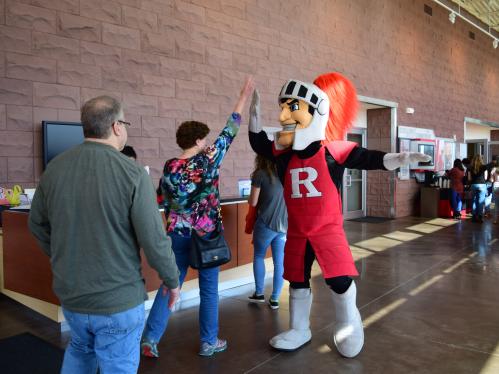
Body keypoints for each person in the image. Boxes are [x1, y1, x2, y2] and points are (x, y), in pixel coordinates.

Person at [248, 72, 429, 358]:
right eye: (282, 107)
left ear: (317, 109)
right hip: (296, 230)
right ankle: (299, 328)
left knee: (339, 279)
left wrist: (400, 158)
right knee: (296, 278)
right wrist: (253, 117)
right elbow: (259, 144)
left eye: (292, 107)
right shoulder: (283, 153)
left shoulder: (333, 150)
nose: (283, 115)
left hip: (326, 229)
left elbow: (370, 158)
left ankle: (348, 321)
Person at [28, 96, 180, 374]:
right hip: (118, 299)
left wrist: (64, 256)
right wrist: (172, 280)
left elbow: (36, 224)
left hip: (72, 296)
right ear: (116, 126)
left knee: (80, 349)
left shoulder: (55, 169)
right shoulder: (132, 173)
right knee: (118, 365)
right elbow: (155, 240)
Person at [141, 77, 255, 358]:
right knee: (209, 291)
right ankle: (208, 342)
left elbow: (160, 199)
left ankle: (150, 339)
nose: (207, 142)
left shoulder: (169, 166)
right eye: (204, 138)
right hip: (206, 236)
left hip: (177, 235)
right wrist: (243, 96)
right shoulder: (207, 160)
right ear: (197, 140)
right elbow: (230, 130)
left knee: (171, 286)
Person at [246, 154, 287, 309]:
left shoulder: (260, 174)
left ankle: (259, 293)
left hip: (265, 224)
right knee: (279, 262)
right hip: (283, 225)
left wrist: (249, 198)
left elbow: (253, 201)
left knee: (258, 256)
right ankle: (275, 298)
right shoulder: (285, 174)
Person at [467, 154, 488, 223]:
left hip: (473, 185)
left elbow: (469, 178)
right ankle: (479, 216)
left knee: (474, 200)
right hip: (482, 185)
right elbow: (485, 178)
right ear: (481, 159)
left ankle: (474, 216)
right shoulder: (484, 167)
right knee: (480, 201)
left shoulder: (470, 167)